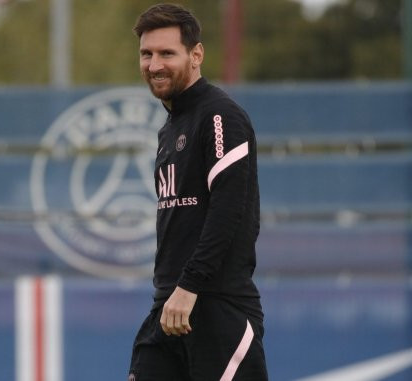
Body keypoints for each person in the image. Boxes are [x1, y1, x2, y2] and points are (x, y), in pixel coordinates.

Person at [129, 4, 267, 380]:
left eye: (166, 53)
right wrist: (174, 293)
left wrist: (189, 287)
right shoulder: (169, 129)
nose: (154, 64)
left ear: (196, 54)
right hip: (169, 307)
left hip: (217, 309)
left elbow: (228, 210)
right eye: (146, 54)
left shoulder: (221, 116)